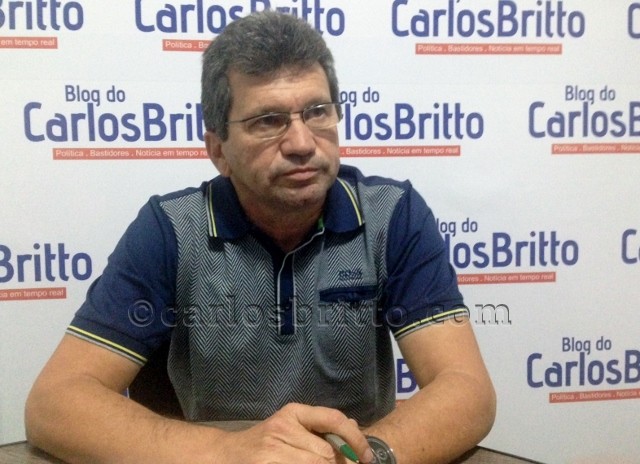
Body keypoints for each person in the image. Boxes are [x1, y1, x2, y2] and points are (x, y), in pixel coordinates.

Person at [25, 11, 495, 464]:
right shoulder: (171, 230)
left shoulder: (392, 216)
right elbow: (55, 403)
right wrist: (228, 453)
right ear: (218, 150)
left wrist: (365, 457)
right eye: (267, 120)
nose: (302, 143)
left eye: (317, 112)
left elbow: (466, 389)